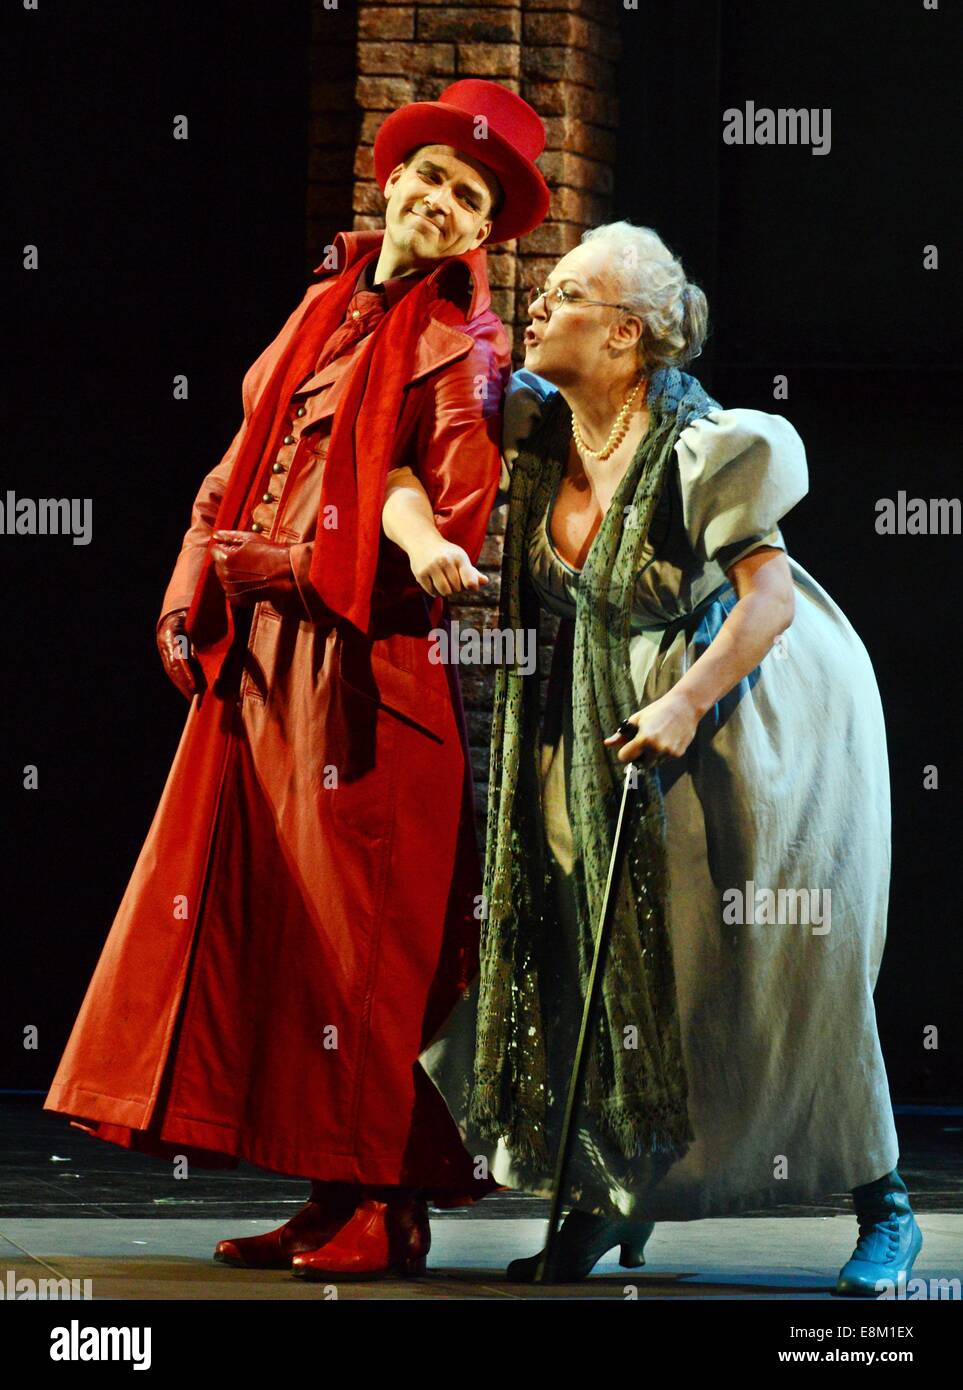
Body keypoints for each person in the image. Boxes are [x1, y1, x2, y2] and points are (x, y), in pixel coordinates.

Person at [42, 79, 550, 1281]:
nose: (438, 201)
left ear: (482, 232)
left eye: (465, 196)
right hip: (266, 665)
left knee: (358, 947)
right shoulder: (328, 303)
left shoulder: (464, 343)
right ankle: (333, 1194)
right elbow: (238, 462)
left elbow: (443, 521)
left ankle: (391, 1199)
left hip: (362, 672)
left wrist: (326, 551)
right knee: (270, 935)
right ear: (396, 178)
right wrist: (186, 588)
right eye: (429, 174)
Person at [419, 221, 923, 1296]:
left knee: (768, 978)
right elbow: (411, 422)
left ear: (627, 334)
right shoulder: (539, 427)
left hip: (738, 725)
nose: (539, 305)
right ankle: (609, 1196)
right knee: (580, 958)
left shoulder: (707, 446)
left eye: (565, 293)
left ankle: (886, 1204)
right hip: (593, 729)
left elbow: (769, 601)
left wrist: (687, 706)